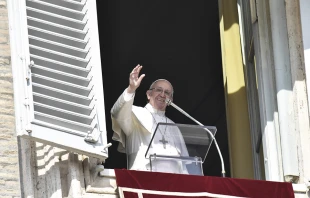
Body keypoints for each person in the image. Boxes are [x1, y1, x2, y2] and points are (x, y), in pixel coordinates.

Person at [111, 65, 189, 174]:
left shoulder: (173, 126)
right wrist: (131, 89)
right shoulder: (135, 113)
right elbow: (117, 112)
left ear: (170, 99)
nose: (162, 95)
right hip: (144, 179)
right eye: (158, 90)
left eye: (167, 93)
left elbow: (185, 164)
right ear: (148, 94)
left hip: (174, 184)